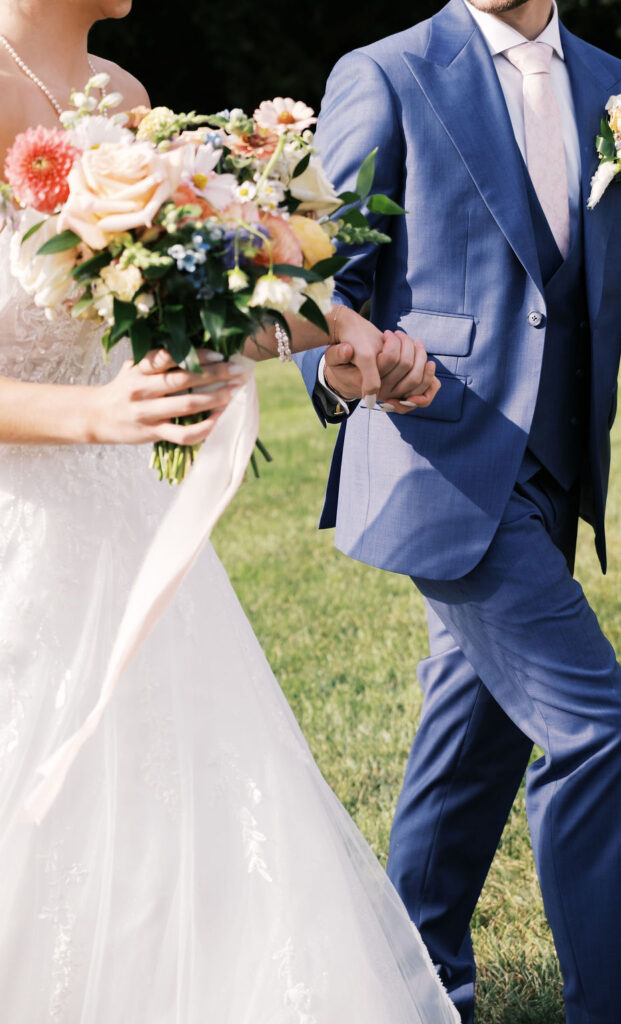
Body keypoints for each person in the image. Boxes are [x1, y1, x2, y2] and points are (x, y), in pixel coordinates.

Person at [0, 1, 464, 1020]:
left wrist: (328, 329)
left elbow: (179, 307)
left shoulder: (120, 99)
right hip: (21, 534)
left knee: (188, 805)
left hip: (130, 534)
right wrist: (91, 413)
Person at [294, 1, 621, 1022]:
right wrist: (354, 370)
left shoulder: (620, 93)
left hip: (553, 471)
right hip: (439, 456)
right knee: (594, 728)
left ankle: (417, 986)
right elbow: (315, 276)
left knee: (474, 745)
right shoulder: (383, 71)